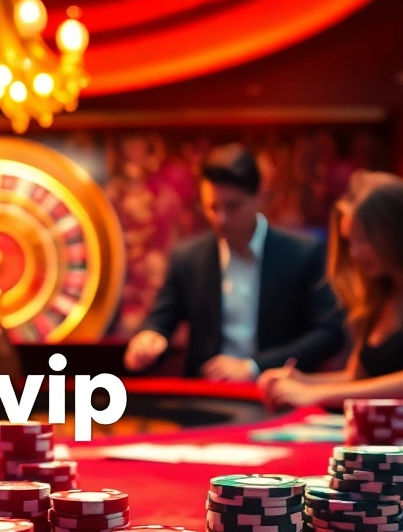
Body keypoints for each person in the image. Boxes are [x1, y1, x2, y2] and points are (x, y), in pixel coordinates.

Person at [258, 171, 403, 410]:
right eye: (350, 242)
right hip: (387, 438)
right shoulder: (383, 292)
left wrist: (314, 394)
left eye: (363, 240)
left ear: (398, 233)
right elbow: (356, 378)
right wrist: (302, 380)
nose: (355, 254)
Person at [124, 144, 345, 380]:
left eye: (232, 206)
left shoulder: (303, 253)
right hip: (208, 396)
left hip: (280, 391)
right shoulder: (187, 258)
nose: (221, 219)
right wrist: (148, 338)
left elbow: (330, 333)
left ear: (259, 196)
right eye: (212, 207)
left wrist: (253, 367)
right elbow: (160, 320)